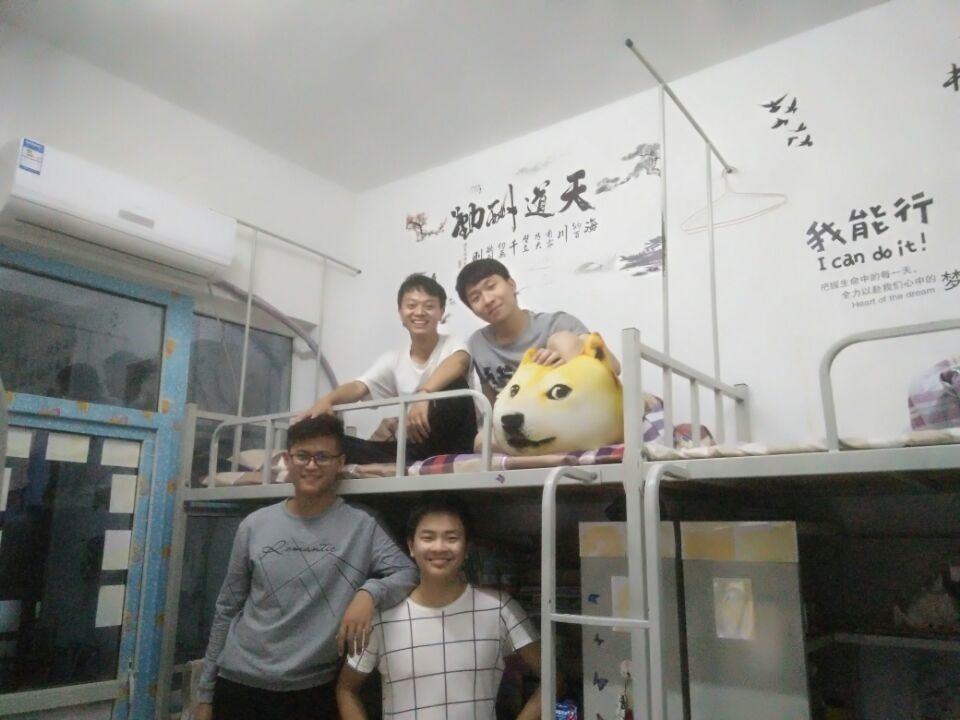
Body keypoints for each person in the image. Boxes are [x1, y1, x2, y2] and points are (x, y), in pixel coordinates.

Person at [195, 414, 418, 720]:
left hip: (313, 690)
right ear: (288, 460)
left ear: (340, 463)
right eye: (302, 456)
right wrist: (205, 694)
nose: (311, 465)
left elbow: (407, 572)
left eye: (323, 457)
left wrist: (369, 593)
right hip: (239, 683)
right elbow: (226, 609)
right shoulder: (254, 525)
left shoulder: (362, 525)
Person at [337, 496, 542, 720]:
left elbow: (552, 679)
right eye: (428, 537)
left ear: (467, 548)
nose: (439, 547)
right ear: (411, 546)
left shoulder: (499, 609)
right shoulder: (382, 617)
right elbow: (346, 689)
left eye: (451, 538)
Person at [300, 273, 477, 464]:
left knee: (453, 384)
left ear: (441, 312)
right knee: (333, 444)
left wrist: (424, 394)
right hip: (414, 447)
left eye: (429, 306)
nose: (419, 312)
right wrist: (327, 400)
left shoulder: (453, 344)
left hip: (454, 441)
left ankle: (415, 457)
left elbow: (459, 362)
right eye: (411, 306)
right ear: (400, 312)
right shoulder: (394, 359)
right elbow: (359, 386)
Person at [454, 257, 621, 403]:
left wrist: (569, 359)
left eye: (491, 286)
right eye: (475, 298)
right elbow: (492, 401)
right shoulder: (478, 343)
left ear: (511, 285)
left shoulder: (557, 324)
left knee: (563, 340)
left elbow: (613, 367)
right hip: (516, 421)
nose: (487, 300)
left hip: (568, 413)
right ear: (472, 309)